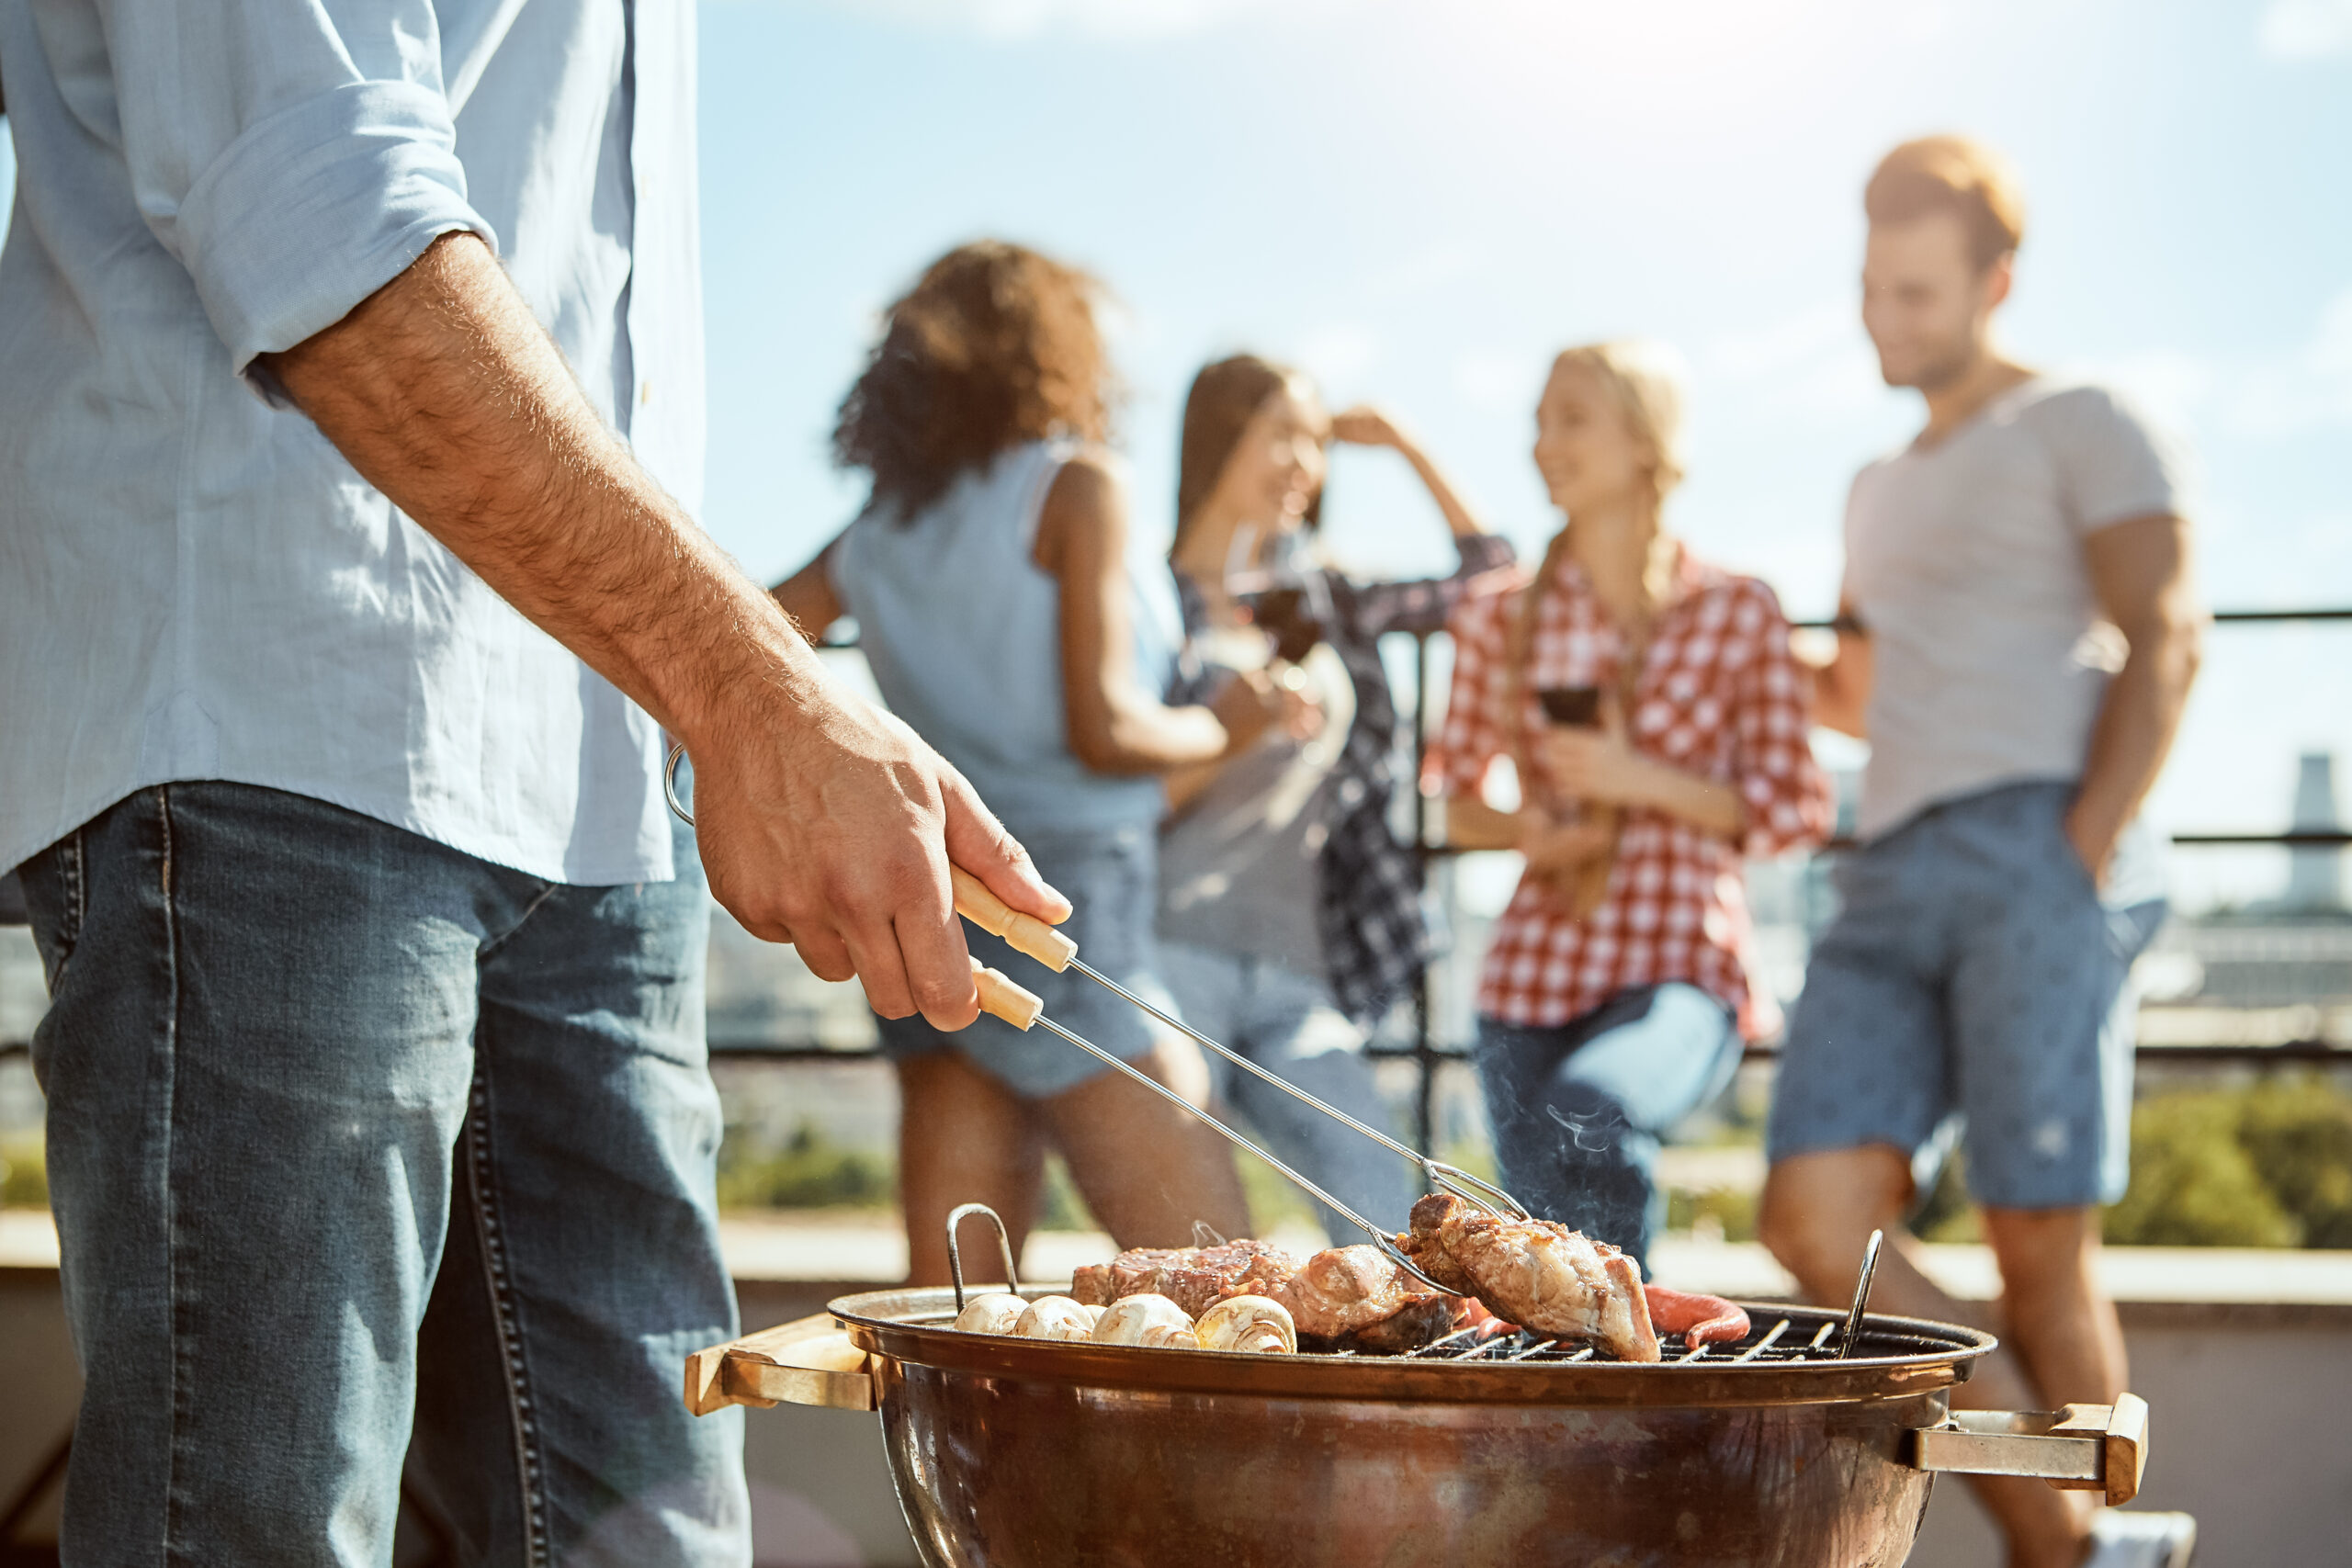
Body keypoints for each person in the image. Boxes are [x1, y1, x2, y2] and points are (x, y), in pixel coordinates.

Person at [0, 7, 1068, 1562]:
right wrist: (753, 691)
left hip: (598, 771)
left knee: (658, 1528)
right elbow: (311, 206)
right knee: (261, 1523)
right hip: (271, 717)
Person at [1757, 138, 2203, 1568]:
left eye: (1919, 291)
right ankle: (2067, 1536)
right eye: (1873, 288)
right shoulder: (1873, 485)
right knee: (1815, 1220)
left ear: (1995, 282)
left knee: (2037, 1246)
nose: (1887, 317)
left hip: (2037, 847)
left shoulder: (2086, 418)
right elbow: (1861, 694)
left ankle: (2087, 1544)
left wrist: (2079, 851)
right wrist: (1736, 644)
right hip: (1882, 864)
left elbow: (2168, 633)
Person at [772, 243, 1262, 1287]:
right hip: (1067, 906)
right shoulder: (1073, 486)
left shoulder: (872, 535)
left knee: (958, 1327)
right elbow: (1109, 729)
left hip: (931, 899)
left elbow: (758, 642)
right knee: (1235, 1299)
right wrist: (1231, 722)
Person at [1428, 342, 1832, 1275]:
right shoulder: (1496, 614)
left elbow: (1795, 811)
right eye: (1537, 423)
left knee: (1592, 1111)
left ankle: (1637, 1373)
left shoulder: (1735, 608)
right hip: (1530, 977)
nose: (1542, 445)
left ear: (1647, 444)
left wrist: (1635, 778)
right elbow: (1454, 803)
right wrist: (1521, 830)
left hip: (1680, 968)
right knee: (1535, 1256)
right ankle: (1590, 1397)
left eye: (1571, 419)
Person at [1158, 355, 1516, 1241]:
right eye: (1280, 432)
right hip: (1168, 960)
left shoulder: (1327, 595)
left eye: (1316, 441)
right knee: (1180, 1229)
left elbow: (1491, 581)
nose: (1304, 461)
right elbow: (1114, 794)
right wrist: (1232, 728)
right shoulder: (1152, 602)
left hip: (1297, 970)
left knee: (1390, 1219)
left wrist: (1405, 444)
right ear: (1217, 437)